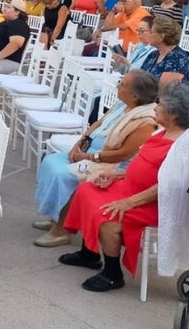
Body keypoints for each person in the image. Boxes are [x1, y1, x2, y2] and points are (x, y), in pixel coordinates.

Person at [60, 83, 189, 292]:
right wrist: (116, 175)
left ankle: (112, 274)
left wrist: (128, 202)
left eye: (160, 104)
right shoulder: (163, 132)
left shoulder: (184, 145)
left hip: (154, 203)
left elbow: (170, 187)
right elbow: (144, 165)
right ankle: (90, 253)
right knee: (87, 189)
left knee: (107, 214)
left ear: (174, 114)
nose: (155, 107)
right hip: (130, 188)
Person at [32, 71, 158, 247]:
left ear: (135, 95)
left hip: (113, 164)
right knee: (51, 161)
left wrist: (88, 156)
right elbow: (99, 123)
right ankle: (56, 216)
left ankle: (60, 230)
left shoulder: (146, 120)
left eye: (122, 84)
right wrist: (80, 142)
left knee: (64, 175)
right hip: (91, 152)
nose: (118, 86)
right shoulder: (123, 105)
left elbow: (125, 153)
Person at [140, 15, 189, 86]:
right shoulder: (153, 54)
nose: (149, 35)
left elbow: (168, 92)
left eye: (151, 32)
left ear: (161, 36)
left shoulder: (178, 58)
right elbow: (140, 77)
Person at [0, 0, 30, 74]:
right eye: (5, 6)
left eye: (8, 7)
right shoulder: (8, 22)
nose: (4, 9)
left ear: (17, 12)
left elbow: (17, 43)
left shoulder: (19, 24)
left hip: (7, 61)